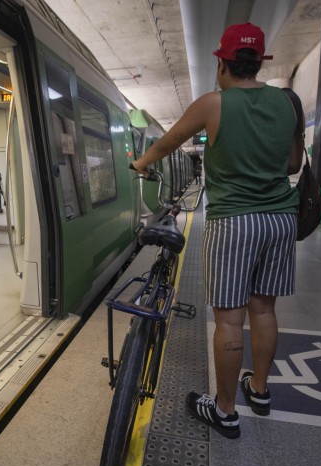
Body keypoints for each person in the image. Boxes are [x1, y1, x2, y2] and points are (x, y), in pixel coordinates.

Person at [130, 23, 303, 439]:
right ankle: (259, 390)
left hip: (234, 222)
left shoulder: (213, 103)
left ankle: (225, 410)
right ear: (259, 62)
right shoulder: (288, 103)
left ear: (223, 64)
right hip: (281, 219)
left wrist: (141, 163)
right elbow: (294, 165)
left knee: (229, 320)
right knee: (264, 310)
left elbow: (167, 143)